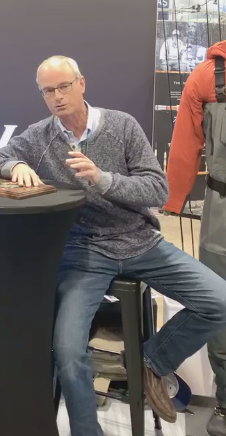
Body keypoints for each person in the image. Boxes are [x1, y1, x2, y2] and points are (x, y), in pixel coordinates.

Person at [0, 55, 226, 436]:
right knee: (67, 350)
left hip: (140, 241)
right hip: (84, 251)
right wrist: (13, 166)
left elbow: (157, 189)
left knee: (219, 300)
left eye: (63, 86)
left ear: (81, 84)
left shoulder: (122, 126)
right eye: (47, 91)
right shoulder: (39, 137)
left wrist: (103, 179)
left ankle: (153, 361)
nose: (57, 97)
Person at [163, 40, 226, 436]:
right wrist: (173, 199)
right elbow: (187, 144)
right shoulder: (207, 76)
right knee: (220, 302)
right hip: (222, 209)